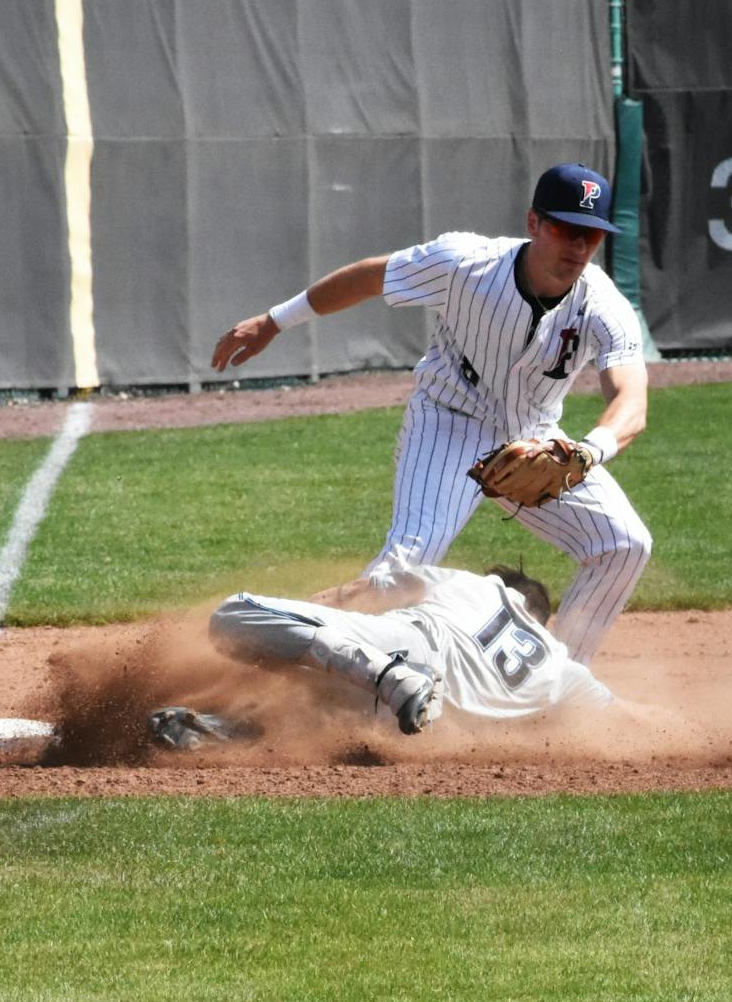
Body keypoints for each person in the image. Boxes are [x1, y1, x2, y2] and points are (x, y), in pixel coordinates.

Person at [210, 163, 652, 666]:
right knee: (399, 576)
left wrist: (586, 451)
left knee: (624, 545)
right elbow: (371, 277)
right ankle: (266, 643)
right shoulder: (466, 264)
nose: (578, 245)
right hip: (448, 423)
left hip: (537, 442)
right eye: (564, 229)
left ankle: (557, 684)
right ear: (533, 223)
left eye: (591, 234)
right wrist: (274, 321)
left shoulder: (602, 304)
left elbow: (631, 400)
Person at [153, 563, 613, 747]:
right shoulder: (562, 668)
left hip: (406, 654)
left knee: (232, 615)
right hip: (428, 733)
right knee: (319, 708)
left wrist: (293, 626)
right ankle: (219, 732)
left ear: (512, 594)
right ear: (541, 622)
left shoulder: (480, 584)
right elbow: (630, 721)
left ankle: (392, 678)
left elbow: (357, 590)